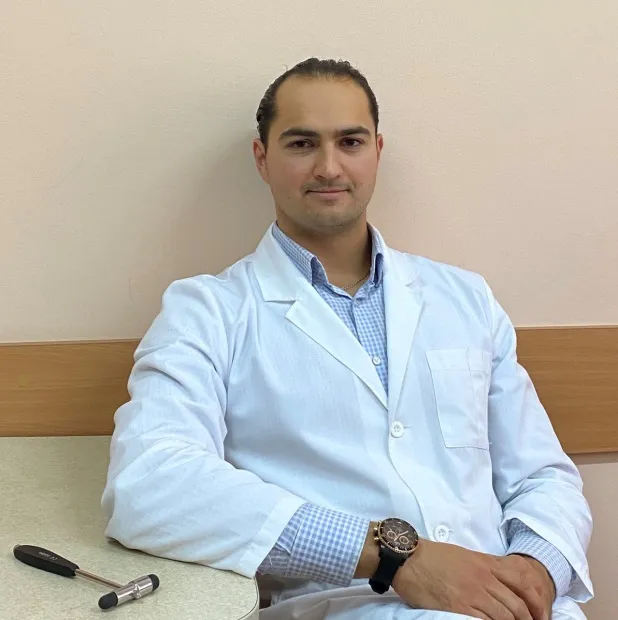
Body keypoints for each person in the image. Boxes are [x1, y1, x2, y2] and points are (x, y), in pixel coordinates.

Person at [101, 58, 593, 620]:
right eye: (302, 143)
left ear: (376, 152)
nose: (329, 166)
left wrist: (534, 568)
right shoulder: (208, 311)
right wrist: (395, 558)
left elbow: (540, 474)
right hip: (350, 606)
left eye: (350, 142)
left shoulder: (465, 297)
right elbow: (149, 483)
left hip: (515, 602)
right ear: (262, 158)